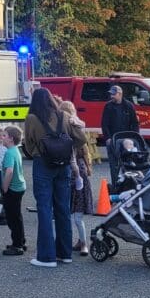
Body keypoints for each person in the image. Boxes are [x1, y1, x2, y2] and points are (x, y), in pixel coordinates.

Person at [24, 87, 87, 267]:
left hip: (43, 164)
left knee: (44, 209)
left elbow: (28, 145)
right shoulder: (64, 116)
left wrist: (39, 152)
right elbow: (81, 139)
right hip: (64, 165)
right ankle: (65, 253)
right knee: (63, 209)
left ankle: (46, 256)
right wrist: (66, 147)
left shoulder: (32, 119)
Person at [62, 101, 94, 256]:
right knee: (75, 216)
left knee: (75, 216)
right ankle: (81, 242)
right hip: (78, 173)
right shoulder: (78, 128)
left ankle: (84, 244)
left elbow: (79, 154)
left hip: (76, 176)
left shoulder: (72, 130)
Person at [0, 125, 28, 256]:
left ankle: (17, 246)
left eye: (4, 136)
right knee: (17, 216)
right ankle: (20, 241)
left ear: (10, 139)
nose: (2, 138)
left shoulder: (9, 153)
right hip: (19, 187)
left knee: (12, 218)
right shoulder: (15, 150)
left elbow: (9, 171)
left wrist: (5, 187)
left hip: (12, 189)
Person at [101, 84, 139, 182]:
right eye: (111, 94)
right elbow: (104, 124)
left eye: (114, 94)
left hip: (126, 141)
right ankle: (115, 185)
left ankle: (128, 184)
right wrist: (108, 138)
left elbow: (134, 123)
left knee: (127, 164)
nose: (112, 96)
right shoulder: (108, 106)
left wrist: (134, 137)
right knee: (114, 166)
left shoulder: (129, 106)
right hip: (113, 140)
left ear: (120, 94)